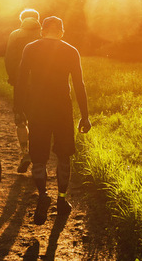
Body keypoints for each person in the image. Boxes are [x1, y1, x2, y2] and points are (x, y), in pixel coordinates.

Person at [14, 16, 91, 225]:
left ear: (42, 31)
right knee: (64, 155)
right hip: (62, 110)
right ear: (61, 32)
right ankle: (62, 200)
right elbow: (79, 84)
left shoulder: (30, 48)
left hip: (37, 109)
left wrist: (18, 109)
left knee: (38, 158)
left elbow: (21, 80)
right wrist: (85, 115)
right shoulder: (70, 51)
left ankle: (42, 195)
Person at [4, 8, 41, 173]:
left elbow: (9, 58)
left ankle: (25, 153)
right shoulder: (44, 34)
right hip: (41, 85)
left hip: (21, 84)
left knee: (20, 119)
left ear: (22, 20)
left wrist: (13, 77)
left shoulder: (15, 34)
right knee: (38, 121)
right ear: (38, 19)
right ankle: (37, 155)